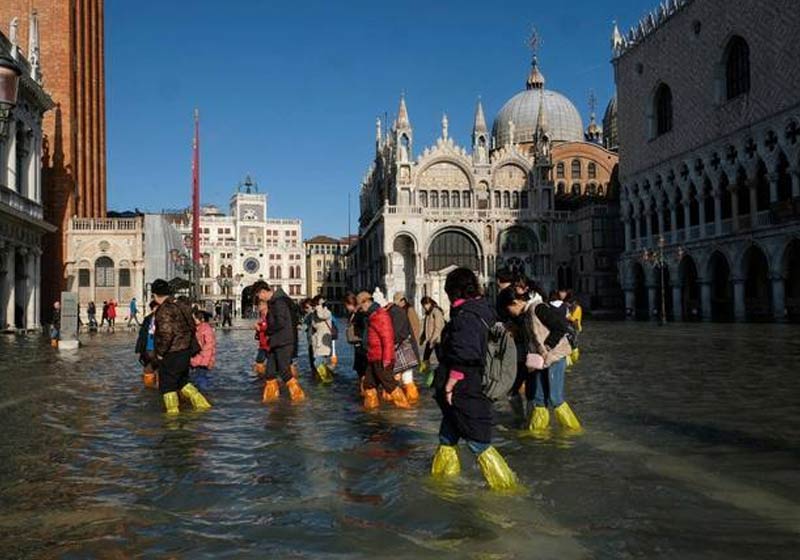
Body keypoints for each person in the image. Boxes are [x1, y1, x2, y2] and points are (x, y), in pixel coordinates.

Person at [431, 268, 518, 490]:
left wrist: (451, 383)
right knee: (447, 436)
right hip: (473, 382)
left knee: (478, 441)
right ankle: (442, 483)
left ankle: (506, 488)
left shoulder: (466, 316)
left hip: (465, 387)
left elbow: (466, 353)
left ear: (453, 291)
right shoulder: (483, 310)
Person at [497, 287, 582, 433]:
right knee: (539, 398)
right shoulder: (526, 314)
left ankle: (574, 430)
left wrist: (547, 346)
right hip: (540, 361)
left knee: (556, 398)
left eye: (508, 309)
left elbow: (561, 326)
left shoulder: (538, 308)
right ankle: (537, 432)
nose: (509, 313)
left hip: (554, 358)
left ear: (515, 302)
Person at [151, 279, 211, 414]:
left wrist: (160, 353)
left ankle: (173, 416)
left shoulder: (164, 310)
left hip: (172, 353)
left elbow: (166, 334)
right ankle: (203, 405)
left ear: (155, 295)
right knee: (182, 382)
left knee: (168, 387)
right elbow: (191, 326)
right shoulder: (181, 305)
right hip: (185, 351)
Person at [255, 281, 306, 403]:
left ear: (263, 292)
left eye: (259, 296)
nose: (259, 299)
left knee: (284, 371)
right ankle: (271, 399)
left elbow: (280, 322)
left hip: (283, 341)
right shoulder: (277, 301)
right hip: (276, 341)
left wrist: (266, 329)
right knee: (270, 372)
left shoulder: (279, 302)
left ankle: (299, 398)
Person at [357, 291, 409, 409]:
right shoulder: (372, 315)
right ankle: (371, 411)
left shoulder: (380, 315)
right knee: (368, 385)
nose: (360, 309)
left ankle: (406, 410)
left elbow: (388, 339)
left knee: (390, 385)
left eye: (360, 306)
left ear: (366, 302)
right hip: (373, 356)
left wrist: (387, 359)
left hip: (381, 358)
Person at [387, 292, 420, 404]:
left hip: (398, 346)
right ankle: (412, 402)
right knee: (407, 376)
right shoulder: (401, 311)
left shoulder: (393, 311)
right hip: (405, 345)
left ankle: (399, 401)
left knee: (398, 375)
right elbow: (414, 327)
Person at [344, 292, 368, 391]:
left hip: (362, 346)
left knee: (363, 371)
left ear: (350, 304)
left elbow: (364, 328)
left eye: (346, 305)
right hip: (357, 346)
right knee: (360, 370)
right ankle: (362, 390)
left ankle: (364, 391)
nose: (346, 308)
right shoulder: (352, 314)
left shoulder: (360, 314)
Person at [190, 309, 217, 391]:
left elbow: (209, 346)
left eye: (195, 318)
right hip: (196, 359)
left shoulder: (206, 329)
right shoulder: (196, 328)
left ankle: (204, 394)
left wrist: (204, 361)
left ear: (201, 319)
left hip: (202, 360)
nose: (193, 320)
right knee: (197, 378)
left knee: (201, 379)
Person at [310, 296, 335, 383]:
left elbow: (321, 316)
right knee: (322, 362)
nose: (315, 306)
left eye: (316, 304)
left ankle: (326, 379)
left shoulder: (327, 312)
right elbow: (314, 325)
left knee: (317, 362)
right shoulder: (315, 313)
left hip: (324, 342)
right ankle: (326, 379)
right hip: (318, 342)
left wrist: (319, 305)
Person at [135, 300, 160, 388]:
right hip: (148, 348)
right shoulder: (147, 319)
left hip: (159, 349)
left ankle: (159, 386)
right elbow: (142, 334)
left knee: (159, 369)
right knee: (148, 369)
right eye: (155, 308)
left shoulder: (164, 319)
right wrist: (139, 349)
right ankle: (149, 389)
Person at [419, 296, 445, 376]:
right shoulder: (429, 313)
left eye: (425, 305)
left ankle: (443, 374)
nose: (424, 307)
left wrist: (432, 340)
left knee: (441, 358)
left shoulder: (436, 312)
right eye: (423, 306)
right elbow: (426, 327)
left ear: (429, 303)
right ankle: (426, 374)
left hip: (437, 340)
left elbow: (438, 328)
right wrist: (423, 337)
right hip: (430, 339)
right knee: (425, 358)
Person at [253, 300, 270, 377]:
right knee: (259, 362)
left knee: (259, 362)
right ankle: (261, 378)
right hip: (263, 344)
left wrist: (258, 327)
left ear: (265, 306)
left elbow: (269, 328)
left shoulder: (269, 316)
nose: (258, 307)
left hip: (268, 344)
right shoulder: (262, 316)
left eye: (260, 305)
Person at [300, 298, 315, 372]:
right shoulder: (308, 315)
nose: (306, 310)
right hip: (310, 342)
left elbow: (303, 326)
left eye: (307, 307)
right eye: (305, 308)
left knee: (315, 363)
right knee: (313, 363)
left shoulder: (312, 315)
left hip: (315, 342)